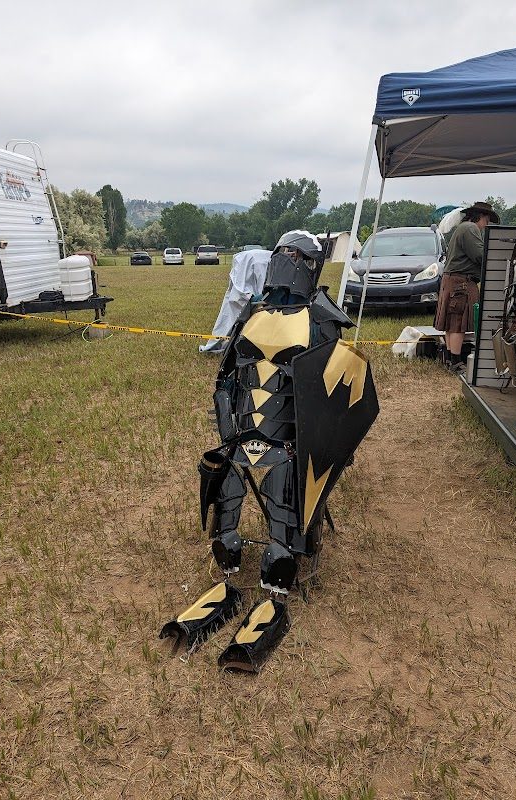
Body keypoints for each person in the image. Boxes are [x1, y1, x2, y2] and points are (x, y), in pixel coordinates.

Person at [159, 231, 379, 672]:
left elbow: (337, 387)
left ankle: (276, 588)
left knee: (282, 483)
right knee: (224, 477)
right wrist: (229, 434)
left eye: (298, 256)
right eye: (284, 254)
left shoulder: (322, 319)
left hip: (291, 441)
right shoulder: (254, 314)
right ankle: (226, 571)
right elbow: (226, 380)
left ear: (312, 266)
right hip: (244, 435)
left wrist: (318, 442)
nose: (289, 261)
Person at [435, 201, 500, 372]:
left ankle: (450, 359)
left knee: (451, 323)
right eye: (487, 220)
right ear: (482, 216)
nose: (486, 225)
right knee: (457, 323)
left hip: (453, 281)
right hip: (461, 283)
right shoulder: (471, 229)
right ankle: (456, 362)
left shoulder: (464, 228)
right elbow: (480, 255)